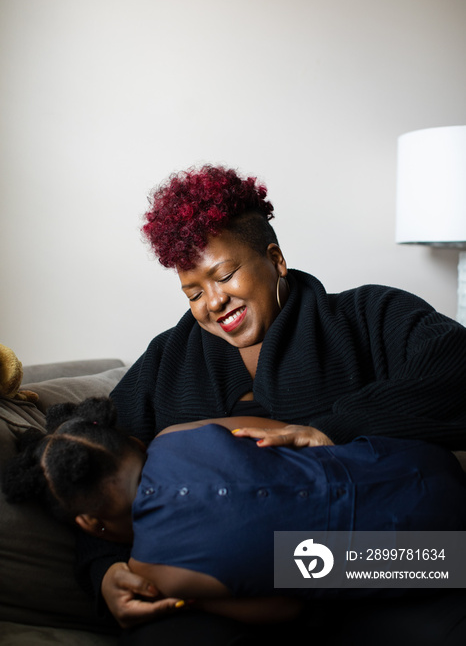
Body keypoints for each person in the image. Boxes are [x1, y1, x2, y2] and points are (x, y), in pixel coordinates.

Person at [75, 165, 466, 644]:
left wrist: (331, 428)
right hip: (230, 600)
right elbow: (85, 465)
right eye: (194, 292)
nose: (213, 302)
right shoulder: (167, 360)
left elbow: (456, 366)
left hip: (372, 568)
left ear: (275, 259)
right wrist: (104, 573)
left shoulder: (366, 315)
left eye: (225, 275)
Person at [4, 397, 466, 628]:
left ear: (90, 524)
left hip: (425, 554)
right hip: (412, 460)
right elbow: (275, 430)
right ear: (135, 444)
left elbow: (284, 607)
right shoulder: (174, 435)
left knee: (310, 563)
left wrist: (203, 595)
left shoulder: (153, 569)